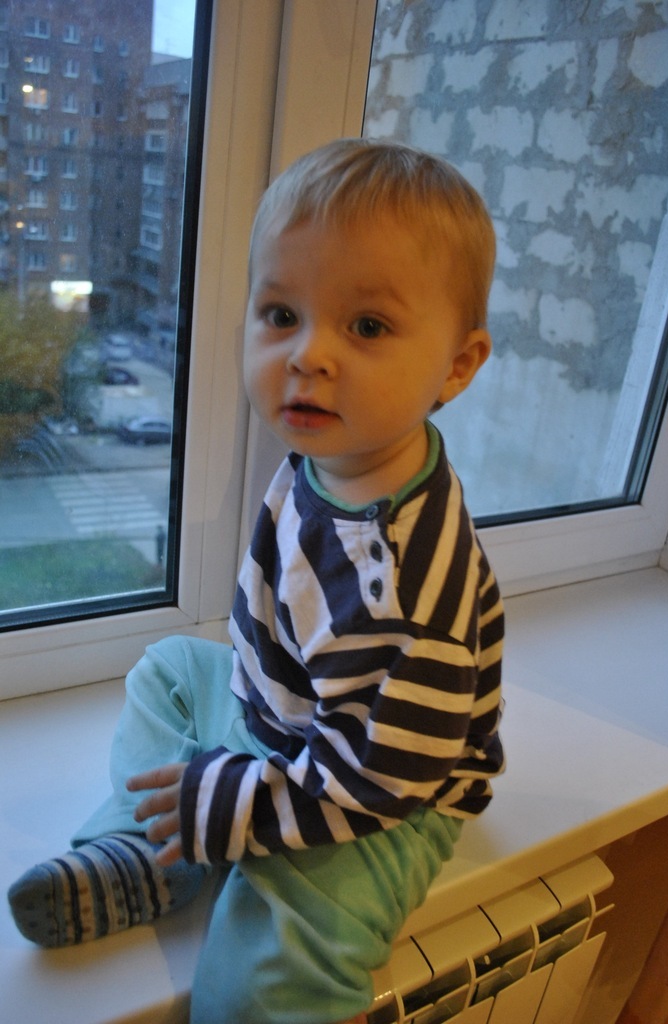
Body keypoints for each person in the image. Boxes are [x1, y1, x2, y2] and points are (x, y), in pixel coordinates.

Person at [8, 139, 505, 1024]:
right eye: (280, 313)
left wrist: (239, 802)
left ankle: (188, 843)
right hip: (288, 721)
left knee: (265, 974)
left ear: (457, 366)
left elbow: (379, 782)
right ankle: (149, 856)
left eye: (366, 327)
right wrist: (234, 773)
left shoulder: (403, 589)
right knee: (167, 670)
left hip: (379, 796)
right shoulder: (342, 451)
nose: (308, 355)